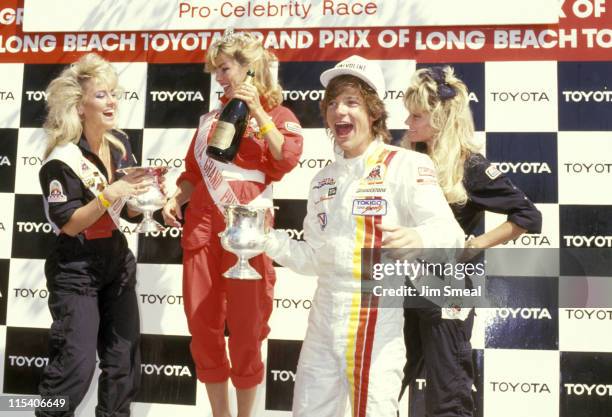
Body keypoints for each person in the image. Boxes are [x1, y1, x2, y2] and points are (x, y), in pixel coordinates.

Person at [263, 55, 464, 417]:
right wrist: (264, 240)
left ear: (374, 112)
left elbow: (450, 234)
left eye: (352, 102)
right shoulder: (322, 179)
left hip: (376, 319)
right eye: (334, 103)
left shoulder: (406, 164)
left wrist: (418, 238)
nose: (340, 110)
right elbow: (313, 258)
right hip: (323, 320)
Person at [161, 30, 303, 417]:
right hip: (202, 231)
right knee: (203, 329)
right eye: (216, 71)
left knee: (247, 331)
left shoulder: (279, 116)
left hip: (249, 232)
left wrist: (256, 110)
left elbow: (286, 159)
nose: (219, 78)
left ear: (250, 67)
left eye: (224, 69)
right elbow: (192, 173)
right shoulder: (208, 120)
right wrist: (177, 197)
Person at [400, 66, 543, 417]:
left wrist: (476, 245)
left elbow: (527, 215)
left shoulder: (470, 166)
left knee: (448, 389)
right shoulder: (404, 161)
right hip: (400, 283)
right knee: (386, 377)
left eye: (416, 115)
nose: (408, 122)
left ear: (440, 117)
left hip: (449, 289)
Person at [37, 53, 150, 417]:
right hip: (77, 270)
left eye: (113, 93)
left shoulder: (120, 143)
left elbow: (128, 212)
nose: (112, 101)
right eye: (101, 95)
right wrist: (109, 194)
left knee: (123, 365)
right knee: (75, 367)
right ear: (79, 106)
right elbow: (70, 223)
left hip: (117, 265)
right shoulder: (62, 158)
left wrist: (149, 201)